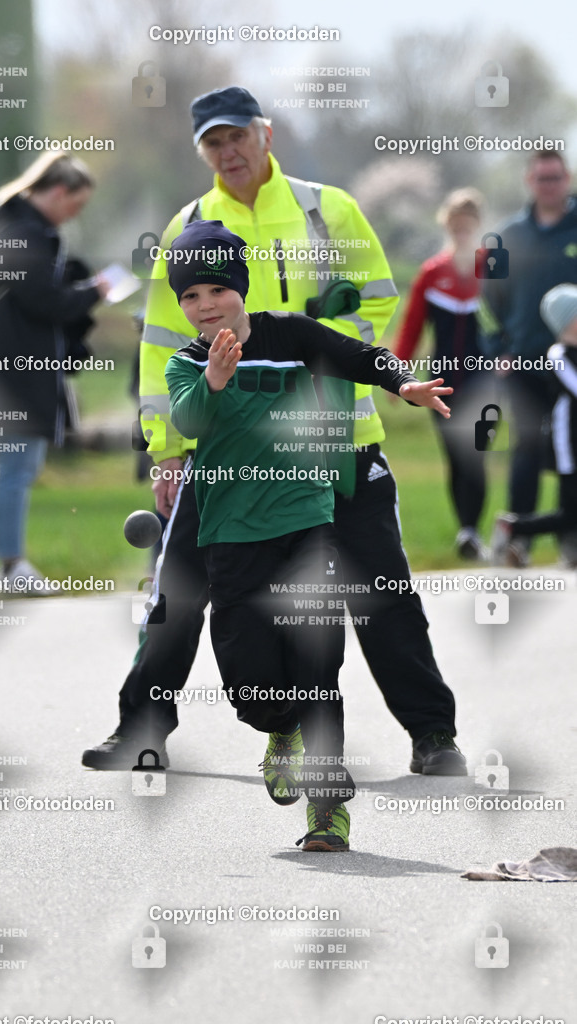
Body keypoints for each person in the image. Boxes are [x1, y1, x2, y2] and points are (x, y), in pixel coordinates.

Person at [83, 86, 466, 776]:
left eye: (236, 137)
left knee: (382, 596)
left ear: (264, 133)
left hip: (336, 446)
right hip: (226, 451)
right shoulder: (190, 225)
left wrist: (313, 346)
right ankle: (142, 726)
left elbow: (375, 296)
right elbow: (160, 341)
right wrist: (166, 450)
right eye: (212, 143)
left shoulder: (328, 210)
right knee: (178, 593)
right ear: (201, 152)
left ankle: (432, 735)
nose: (227, 152)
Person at [163, 220, 452, 849]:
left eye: (216, 289)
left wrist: (403, 383)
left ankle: (327, 810)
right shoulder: (186, 362)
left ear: (239, 288)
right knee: (249, 681)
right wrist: (214, 379)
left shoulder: (289, 336)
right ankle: (280, 730)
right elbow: (185, 417)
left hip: (308, 519)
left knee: (318, 663)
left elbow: (357, 356)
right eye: (190, 296)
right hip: (233, 532)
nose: (206, 305)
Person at [0, 153, 109, 588]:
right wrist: (94, 291)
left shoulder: (17, 225)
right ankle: (11, 566)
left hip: (13, 364)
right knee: (17, 466)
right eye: (75, 206)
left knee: (17, 466)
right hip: (15, 369)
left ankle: (11, 563)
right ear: (58, 192)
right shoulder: (24, 233)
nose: (72, 216)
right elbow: (46, 301)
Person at [479, 149, 577, 565]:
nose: (549, 185)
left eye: (555, 177)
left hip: (572, 363)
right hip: (522, 360)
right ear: (529, 181)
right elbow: (485, 302)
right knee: (527, 446)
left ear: (567, 178)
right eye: (541, 178)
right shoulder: (505, 238)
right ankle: (518, 540)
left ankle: (569, 542)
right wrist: (497, 349)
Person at [393, 188, 489, 560]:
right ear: (446, 226)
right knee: (455, 455)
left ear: (478, 226)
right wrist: (398, 374)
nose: (462, 231)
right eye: (455, 225)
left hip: (485, 382)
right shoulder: (432, 273)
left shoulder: (493, 269)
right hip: (443, 382)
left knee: (476, 453)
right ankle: (467, 530)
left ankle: (472, 530)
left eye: (468, 226)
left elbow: (510, 319)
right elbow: (412, 327)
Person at [492, 284, 577, 565]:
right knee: (570, 511)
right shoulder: (558, 355)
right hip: (570, 444)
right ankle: (513, 527)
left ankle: (517, 527)